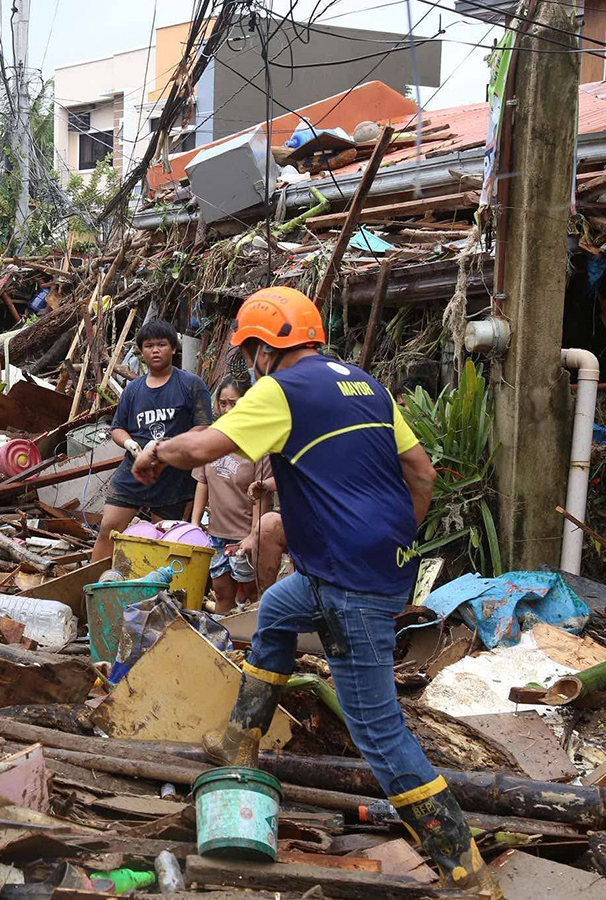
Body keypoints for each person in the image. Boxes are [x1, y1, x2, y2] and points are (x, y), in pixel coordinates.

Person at [130, 287, 500, 896]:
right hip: (373, 568)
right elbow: (422, 474)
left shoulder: (282, 390)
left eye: (249, 352)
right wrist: (390, 542)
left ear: (261, 349)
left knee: (379, 733)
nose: (251, 362)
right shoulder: (368, 387)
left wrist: (154, 452)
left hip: (349, 583)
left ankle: (467, 873)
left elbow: (202, 446)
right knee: (278, 607)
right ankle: (239, 742)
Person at [90, 319, 212, 563]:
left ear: (174, 348)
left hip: (173, 476)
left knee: (164, 539)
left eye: (161, 344)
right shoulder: (133, 390)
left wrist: (170, 448)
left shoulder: (191, 385)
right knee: (109, 528)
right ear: (141, 351)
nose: (155, 350)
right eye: (149, 346)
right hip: (135, 470)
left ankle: (155, 583)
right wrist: (131, 445)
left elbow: (204, 426)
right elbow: (118, 428)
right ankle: (95, 579)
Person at [190, 376, 273, 614]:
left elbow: (261, 495)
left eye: (234, 404)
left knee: (253, 593)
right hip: (216, 534)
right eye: (223, 403)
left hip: (246, 535)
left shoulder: (259, 444)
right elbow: (202, 482)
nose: (228, 410)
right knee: (221, 591)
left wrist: (253, 536)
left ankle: (254, 633)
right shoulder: (211, 439)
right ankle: (222, 635)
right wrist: (195, 523)